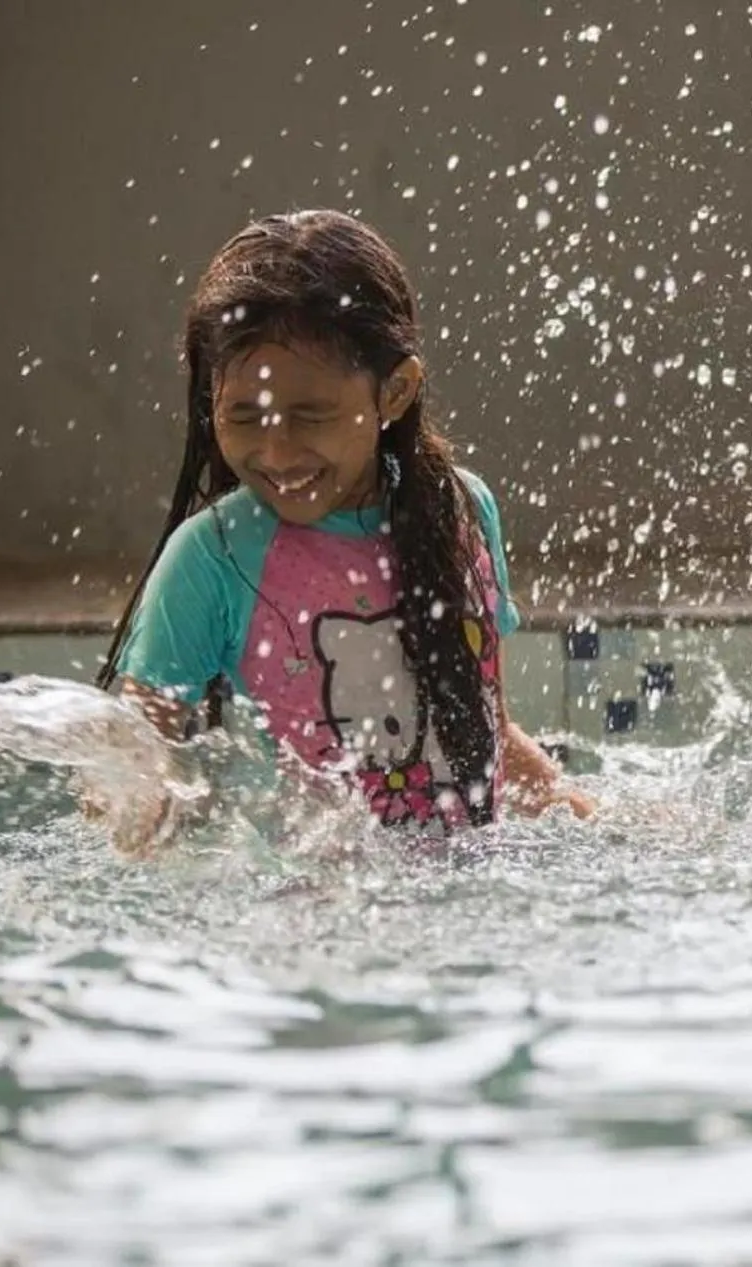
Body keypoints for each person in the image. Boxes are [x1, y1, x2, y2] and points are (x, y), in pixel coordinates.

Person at [96, 209, 591, 851]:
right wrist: (145, 817)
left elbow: (489, 730)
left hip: (469, 897)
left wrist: (593, 818)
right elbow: (130, 769)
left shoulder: (462, 510)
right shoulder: (213, 557)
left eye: (311, 415)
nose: (276, 454)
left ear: (395, 392)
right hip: (310, 912)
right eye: (243, 416)